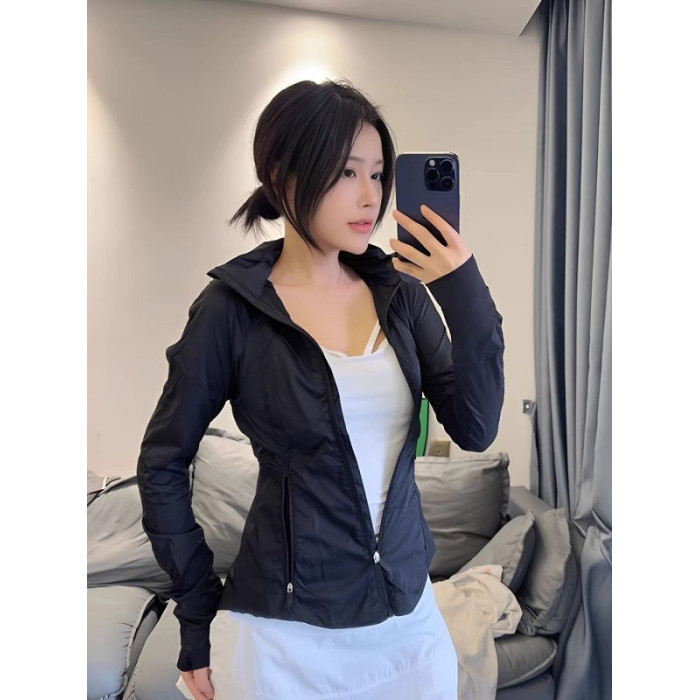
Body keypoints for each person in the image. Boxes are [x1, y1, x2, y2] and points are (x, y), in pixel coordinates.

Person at [136, 78, 505, 700]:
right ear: (284, 178)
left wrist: (462, 289)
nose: (371, 196)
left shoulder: (402, 297)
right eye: (346, 173)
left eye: (378, 174)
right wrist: (196, 615)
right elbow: (163, 463)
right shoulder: (232, 309)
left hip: (408, 629)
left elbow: (476, 427)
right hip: (284, 641)